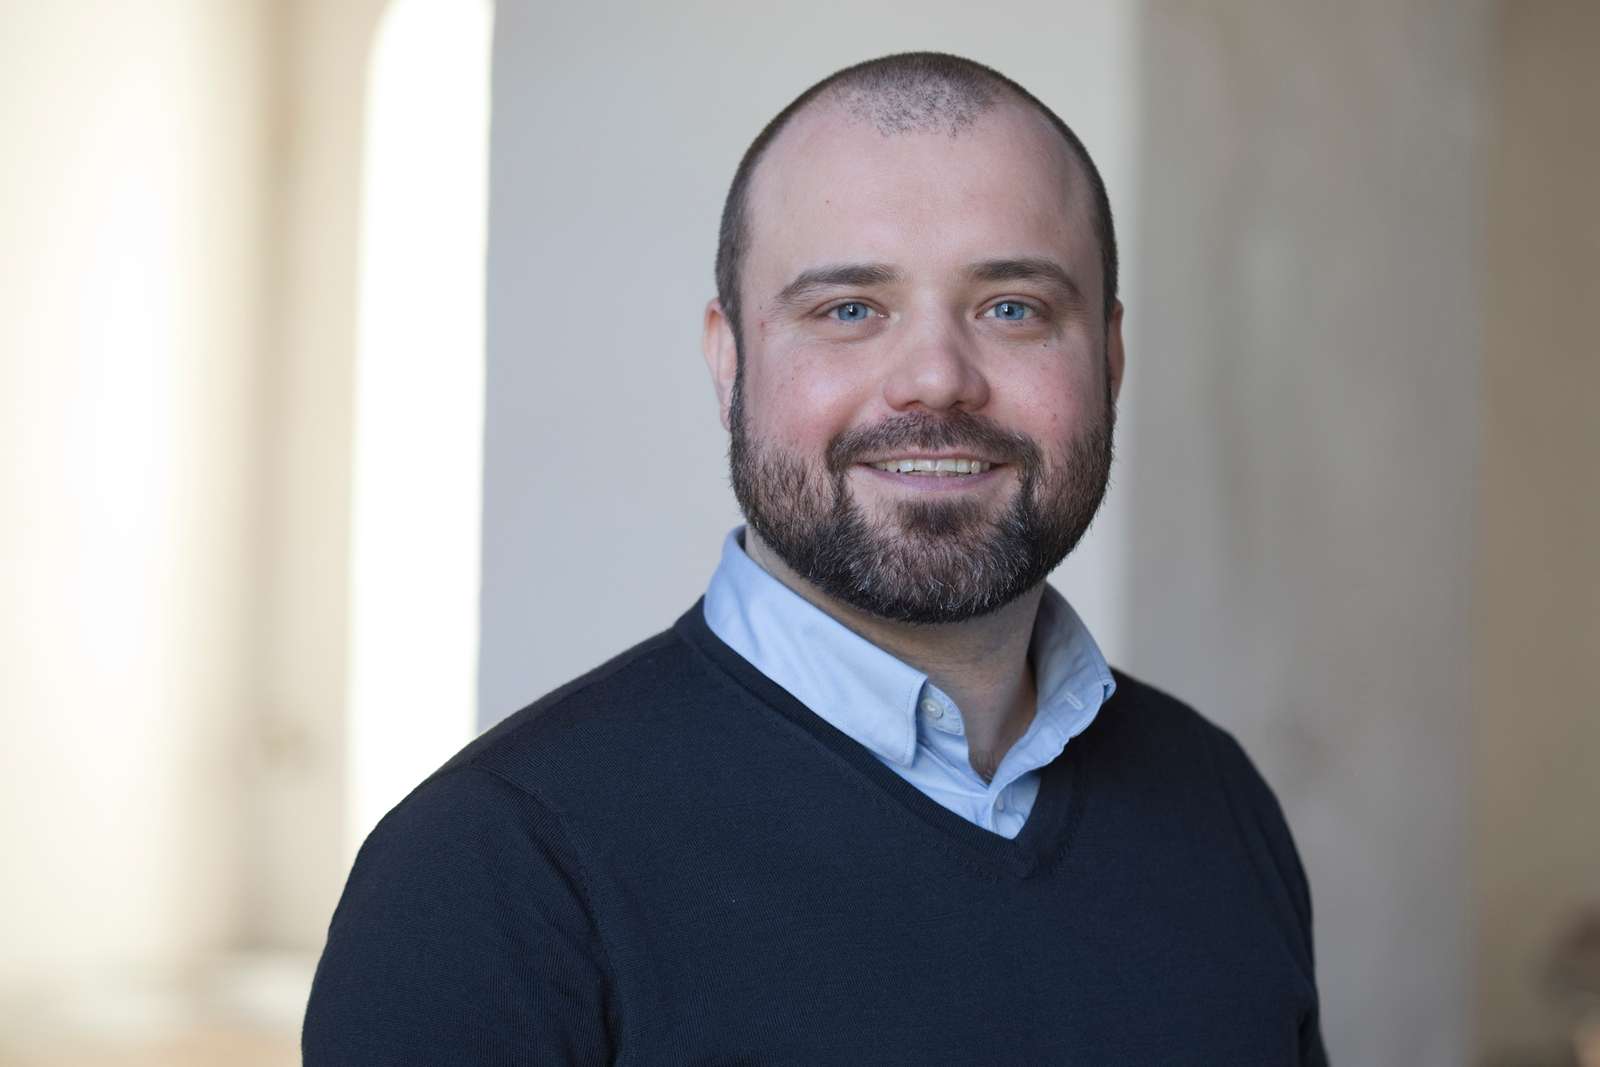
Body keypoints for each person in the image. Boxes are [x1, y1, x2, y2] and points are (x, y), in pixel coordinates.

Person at [303, 51, 1327, 1065]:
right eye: (848, 310)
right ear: (728, 362)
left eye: (1012, 307)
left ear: (1108, 357)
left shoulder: (1216, 799)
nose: (935, 379)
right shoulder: (490, 872)